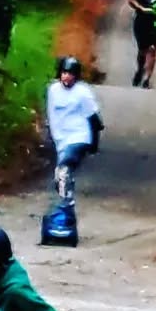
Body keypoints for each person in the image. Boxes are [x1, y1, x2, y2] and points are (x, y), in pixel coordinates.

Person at [45, 56, 104, 212]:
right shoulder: (53, 90)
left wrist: (94, 144)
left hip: (79, 136)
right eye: (64, 72)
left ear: (76, 76)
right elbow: (51, 114)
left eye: (71, 73)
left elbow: (94, 119)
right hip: (61, 138)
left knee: (63, 169)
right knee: (60, 176)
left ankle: (66, 204)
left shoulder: (82, 92)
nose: (67, 76)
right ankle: (66, 197)